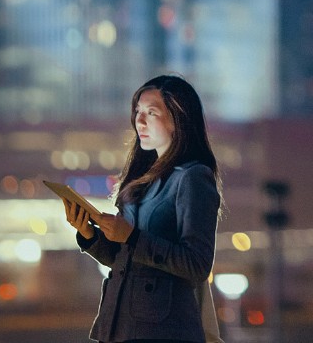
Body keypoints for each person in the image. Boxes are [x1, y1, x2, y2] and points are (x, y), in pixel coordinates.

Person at [63, 74, 223, 343]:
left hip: (164, 330)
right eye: (137, 111)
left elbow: (197, 264)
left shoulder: (193, 178)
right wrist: (89, 235)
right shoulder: (141, 181)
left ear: (178, 119)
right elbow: (124, 260)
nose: (140, 121)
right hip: (120, 328)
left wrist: (132, 237)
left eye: (151, 112)